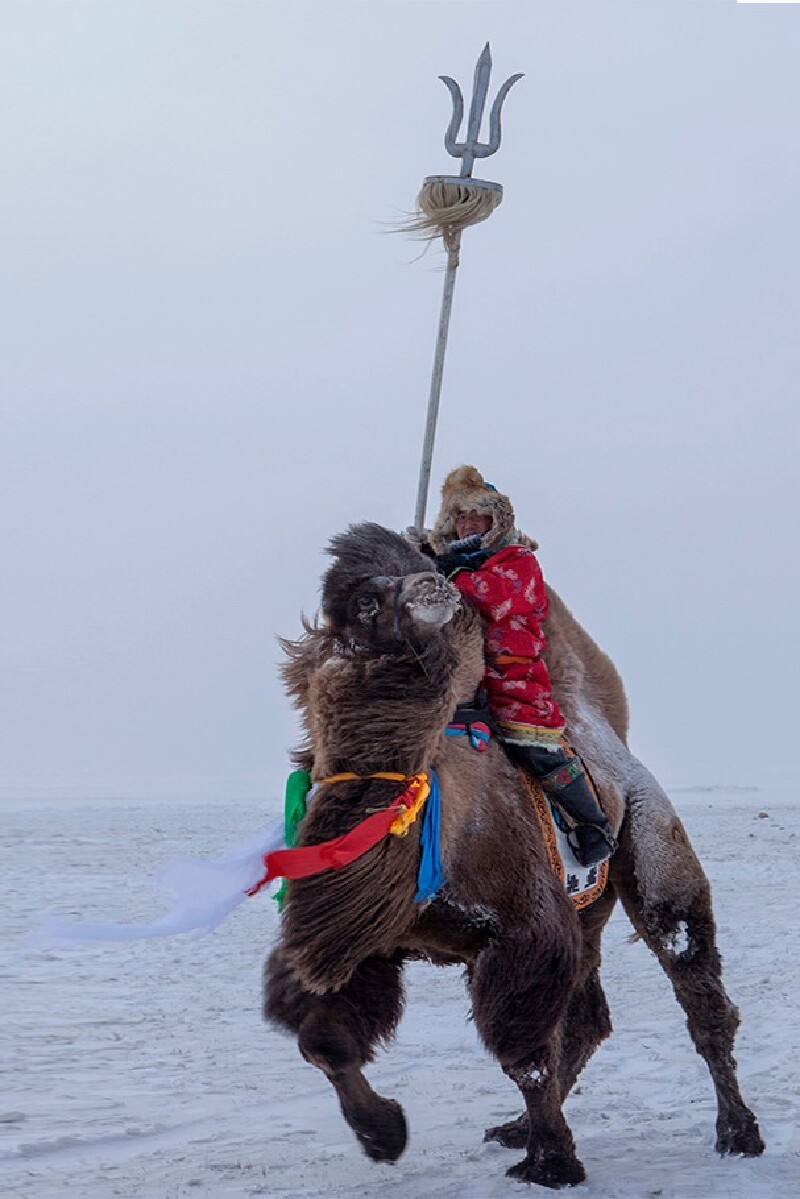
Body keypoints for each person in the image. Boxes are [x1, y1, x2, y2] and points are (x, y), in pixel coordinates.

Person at [427, 465, 617, 868]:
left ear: (497, 520)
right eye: (460, 516)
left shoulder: (517, 561)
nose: (468, 524)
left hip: (514, 677)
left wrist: (448, 577)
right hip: (468, 679)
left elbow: (495, 596)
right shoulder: (454, 565)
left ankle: (592, 823)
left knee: (535, 747)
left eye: (477, 515)